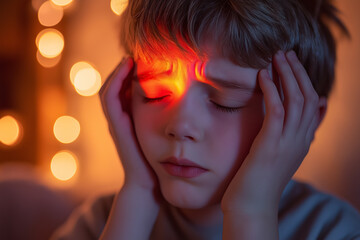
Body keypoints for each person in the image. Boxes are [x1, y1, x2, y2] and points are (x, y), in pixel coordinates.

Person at [51, 0, 360, 239]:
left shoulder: (333, 230)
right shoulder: (103, 222)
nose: (180, 127)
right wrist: (138, 197)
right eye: (154, 93)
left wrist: (250, 213)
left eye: (226, 102)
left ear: (305, 117)